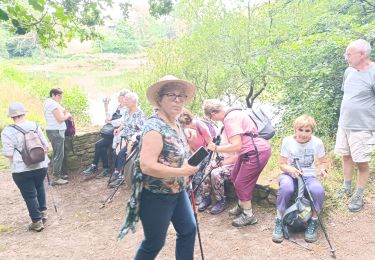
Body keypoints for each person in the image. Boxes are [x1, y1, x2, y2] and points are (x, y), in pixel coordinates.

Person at [118, 75, 198, 259]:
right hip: (156, 196)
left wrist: (185, 135)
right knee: (154, 243)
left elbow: (171, 146)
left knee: (188, 230)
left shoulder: (175, 123)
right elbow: (147, 166)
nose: (178, 100)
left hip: (178, 191)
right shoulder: (153, 127)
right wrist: (182, 171)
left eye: (182, 96)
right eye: (172, 95)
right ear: (160, 99)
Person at [203, 99, 271, 227]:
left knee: (241, 183)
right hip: (248, 151)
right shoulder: (235, 113)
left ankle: (248, 215)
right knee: (234, 176)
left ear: (213, 113)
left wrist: (216, 148)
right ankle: (241, 205)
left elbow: (236, 146)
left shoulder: (230, 119)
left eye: (211, 117)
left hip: (255, 152)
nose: (214, 120)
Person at [271, 115, 328, 243]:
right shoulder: (287, 141)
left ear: (312, 131)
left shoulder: (317, 142)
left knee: (318, 190)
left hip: (308, 176)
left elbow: (322, 161)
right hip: (289, 175)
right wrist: (290, 169)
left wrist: (323, 170)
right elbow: (282, 164)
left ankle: (313, 222)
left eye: (307, 131)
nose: (303, 134)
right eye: (300, 130)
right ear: (295, 129)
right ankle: (279, 220)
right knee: (286, 188)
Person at [334, 39, 375, 212]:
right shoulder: (348, 71)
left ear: (363, 54)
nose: (346, 57)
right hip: (344, 124)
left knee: (362, 162)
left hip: (363, 126)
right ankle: (346, 187)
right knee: (346, 156)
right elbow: (349, 96)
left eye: (349, 54)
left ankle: (358, 195)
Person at [1, 103, 50, 232]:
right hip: (41, 165)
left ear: (11, 116)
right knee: (40, 187)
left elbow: (9, 154)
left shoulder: (7, 131)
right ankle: (43, 213)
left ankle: (36, 222)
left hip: (21, 169)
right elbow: (46, 146)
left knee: (29, 195)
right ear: (24, 113)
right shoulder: (35, 125)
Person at [83, 89, 129, 178]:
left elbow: (122, 121)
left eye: (120, 96)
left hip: (118, 132)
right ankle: (103, 168)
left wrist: (110, 122)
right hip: (111, 132)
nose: (118, 98)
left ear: (123, 97)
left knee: (99, 145)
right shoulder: (116, 106)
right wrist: (106, 105)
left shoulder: (127, 108)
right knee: (100, 145)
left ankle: (98, 167)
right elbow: (108, 117)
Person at [108, 91, 145, 187]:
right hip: (124, 137)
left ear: (134, 101)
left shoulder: (139, 113)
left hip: (133, 140)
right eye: (125, 99)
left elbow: (142, 129)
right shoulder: (126, 112)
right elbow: (124, 123)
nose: (125, 101)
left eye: (127, 100)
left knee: (121, 154)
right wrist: (118, 129)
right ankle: (118, 172)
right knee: (114, 152)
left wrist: (132, 137)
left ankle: (120, 175)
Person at [178, 108, 214, 204]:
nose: (185, 126)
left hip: (205, 152)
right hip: (194, 153)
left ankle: (199, 195)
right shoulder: (184, 129)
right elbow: (189, 143)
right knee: (187, 169)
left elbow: (210, 143)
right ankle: (189, 194)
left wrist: (201, 155)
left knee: (198, 172)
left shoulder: (199, 125)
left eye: (186, 124)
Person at [199, 130, 237, 214]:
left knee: (215, 173)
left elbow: (236, 158)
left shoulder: (236, 137)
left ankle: (221, 201)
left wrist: (220, 163)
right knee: (208, 169)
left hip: (233, 165)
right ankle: (206, 197)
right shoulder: (223, 130)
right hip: (222, 161)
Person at [43, 87, 71, 185]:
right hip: (56, 131)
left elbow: (63, 110)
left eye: (61, 96)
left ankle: (59, 174)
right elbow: (60, 118)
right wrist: (68, 115)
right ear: (53, 95)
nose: (61, 98)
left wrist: (64, 112)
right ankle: (56, 178)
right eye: (59, 96)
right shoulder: (52, 104)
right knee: (59, 155)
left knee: (58, 153)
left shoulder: (50, 102)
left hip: (53, 131)